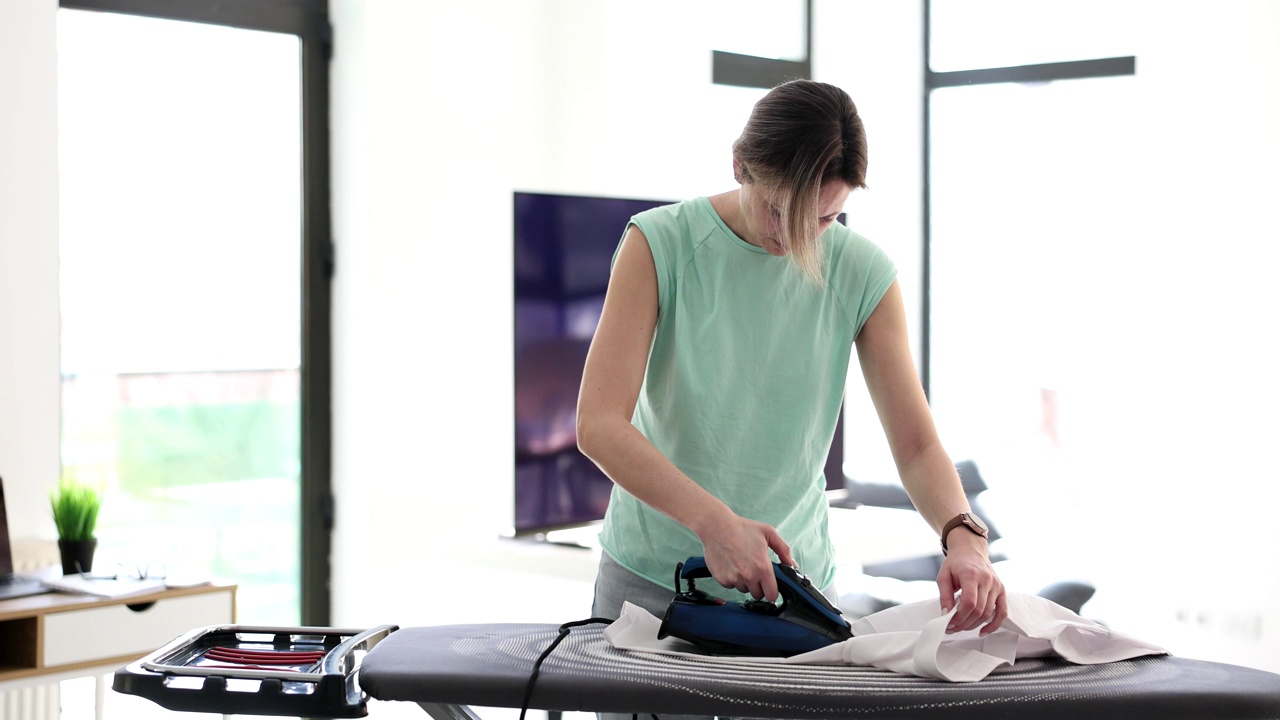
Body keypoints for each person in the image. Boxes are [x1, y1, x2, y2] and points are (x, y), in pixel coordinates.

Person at [576, 80, 1006, 647]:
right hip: (654, 583)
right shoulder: (659, 244)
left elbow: (917, 446)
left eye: (824, 219)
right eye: (780, 211)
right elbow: (599, 424)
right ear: (739, 166)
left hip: (794, 594)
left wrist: (963, 535)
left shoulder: (864, 274)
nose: (796, 236)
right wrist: (714, 523)